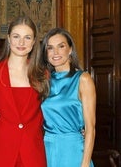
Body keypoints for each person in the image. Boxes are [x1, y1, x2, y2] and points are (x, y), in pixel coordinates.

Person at [0, 15, 49, 167]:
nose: (21, 42)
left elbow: (53, 109)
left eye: (27, 37)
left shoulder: (43, 75)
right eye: (16, 36)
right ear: (9, 39)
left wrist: (79, 127)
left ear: (33, 42)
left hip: (32, 154)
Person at [40, 27, 96, 167]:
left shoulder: (83, 79)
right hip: (46, 149)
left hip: (73, 150)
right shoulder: (43, 81)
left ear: (70, 49)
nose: (56, 52)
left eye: (61, 46)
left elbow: (90, 128)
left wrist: (84, 164)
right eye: (50, 48)